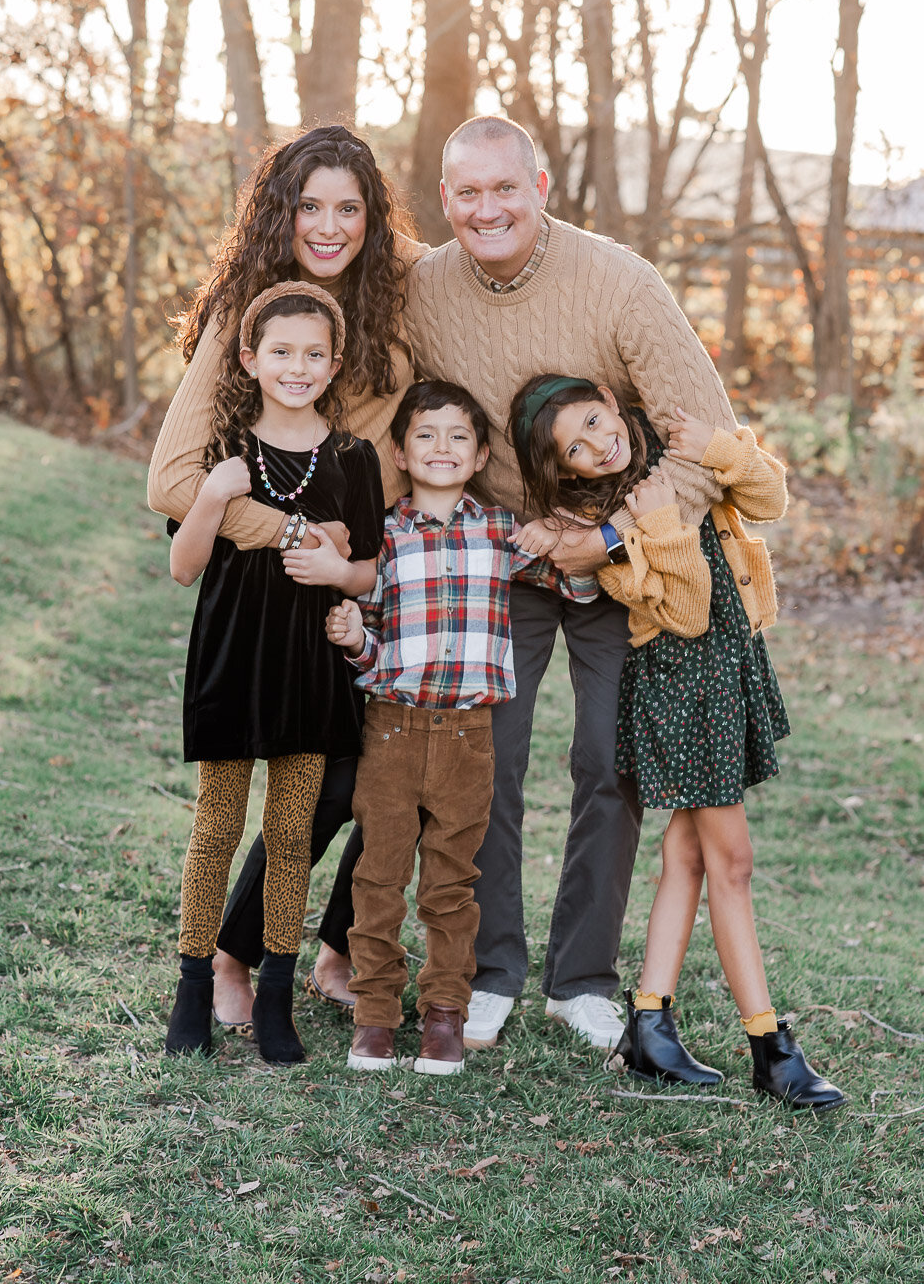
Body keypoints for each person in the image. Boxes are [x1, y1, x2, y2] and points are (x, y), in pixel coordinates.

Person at [402, 115, 739, 1052]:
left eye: (504, 188)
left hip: (618, 564)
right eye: (466, 193)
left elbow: (707, 436)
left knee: (608, 759)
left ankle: (582, 978)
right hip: (504, 556)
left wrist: (612, 535)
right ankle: (489, 969)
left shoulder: (621, 282)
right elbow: (397, 412)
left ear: (540, 186)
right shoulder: (425, 290)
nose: (487, 209)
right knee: (488, 763)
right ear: (446, 200)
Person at [147, 126, 428, 1030]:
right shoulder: (249, 313)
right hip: (268, 602)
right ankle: (229, 957)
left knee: (399, 772)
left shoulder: (391, 302)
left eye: (351, 207)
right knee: (290, 789)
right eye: (310, 205)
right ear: (281, 210)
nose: (330, 226)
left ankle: (336, 947)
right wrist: (295, 533)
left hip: (365, 579)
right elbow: (171, 483)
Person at [508, 375, 845, 1109]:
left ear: (609, 399)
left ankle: (649, 1025)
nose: (602, 444)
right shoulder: (603, 532)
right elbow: (687, 611)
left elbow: (769, 500)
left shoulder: (675, 457)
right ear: (565, 471)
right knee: (733, 861)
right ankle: (769, 1048)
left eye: (597, 421)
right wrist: (654, 528)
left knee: (689, 859)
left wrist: (720, 449)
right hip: (678, 690)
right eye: (578, 448)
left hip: (730, 672)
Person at [324, 381, 597, 1074]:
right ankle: (375, 1015)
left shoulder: (502, 532)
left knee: (451, 884)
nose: (441, 448)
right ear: (401, 451)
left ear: (479, 456)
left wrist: (561, 532)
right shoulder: (382, 535)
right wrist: (356, 637)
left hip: (469, 737)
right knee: (378, 878)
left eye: (457, 438)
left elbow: (582, 585)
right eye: (426, 435)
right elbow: (376, 644)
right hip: (391, 729)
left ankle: (445, 1015)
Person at [163, 281, 384, 1065]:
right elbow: (182, 567)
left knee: (291, 834)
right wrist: (214, 499)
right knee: (217, 828)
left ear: (334, 364)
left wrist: (343, 585)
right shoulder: (223, 448)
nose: (297, 367)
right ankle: (192, 989)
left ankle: (278, 995)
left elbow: (366, 569)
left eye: (313, 354)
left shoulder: (354, 459)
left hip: (311, 669)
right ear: (251, 359)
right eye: (281, 352)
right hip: (231, 661)